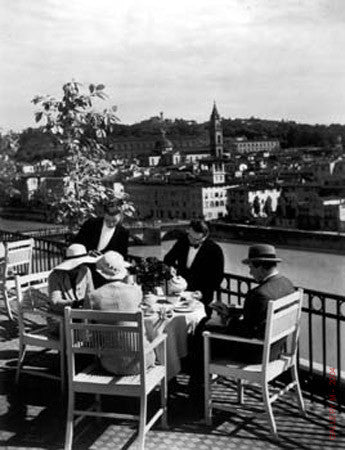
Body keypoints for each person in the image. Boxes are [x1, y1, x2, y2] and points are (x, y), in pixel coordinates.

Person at [190, 243, 295, 391]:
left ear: (260, 266)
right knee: (206, 329)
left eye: (251, 267)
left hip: (255, 354)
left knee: (202, 331)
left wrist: (227, 320)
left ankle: (198, 389)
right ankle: (198, 382)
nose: (250, 273)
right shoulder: (286, 284)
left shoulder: (259, 294)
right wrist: (234, 312)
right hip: (275, 350)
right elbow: (260, 317)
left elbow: (246, 332)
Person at [85, 251, 156, 375]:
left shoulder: (93, 296)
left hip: (109, 363)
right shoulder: (135, 291)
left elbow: (88, 331)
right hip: (142, 361)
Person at [163, 219, 224, 317]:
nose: (191, 240)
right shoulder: (183, 241)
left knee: (199, 325)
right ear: (188, 231)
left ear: (205, 237)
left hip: (201, 297)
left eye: (196, 239)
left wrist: (202, 293)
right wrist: (171, 269)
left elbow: (217, 277)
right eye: (190, 236)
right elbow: (168, 259)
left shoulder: (215, 250)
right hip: (180, 293)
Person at [73, 199, 129, 287]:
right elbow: (77, 244)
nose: (110, 224)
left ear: (121, 217)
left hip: (106, 275)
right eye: (107, 220)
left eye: (114, 221)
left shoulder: (123, 232)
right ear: (104, 215)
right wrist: (87, 252)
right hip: (85, 271)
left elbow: (122, 255)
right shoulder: (91, 224)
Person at [48, 244, 98, 335]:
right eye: (78, 264)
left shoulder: (85, 271)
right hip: (61, 319)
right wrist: (75, 303)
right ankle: (79, 347)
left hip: (82, 316)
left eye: (82, 263)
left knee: (101, 327)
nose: (80, 266)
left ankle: (86, 345)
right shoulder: (55, 276)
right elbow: (55, 302)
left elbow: (91, 293)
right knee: (87, 332)